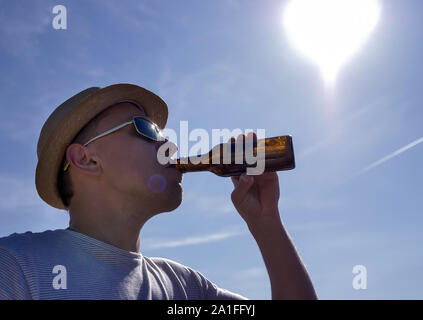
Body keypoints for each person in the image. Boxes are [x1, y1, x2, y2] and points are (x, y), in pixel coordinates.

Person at [0, 83, 317, 300]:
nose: (171, 145)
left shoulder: (185, 287)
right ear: (86, 159)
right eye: (145, 128)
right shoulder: (16, 267)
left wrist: (266, 223)